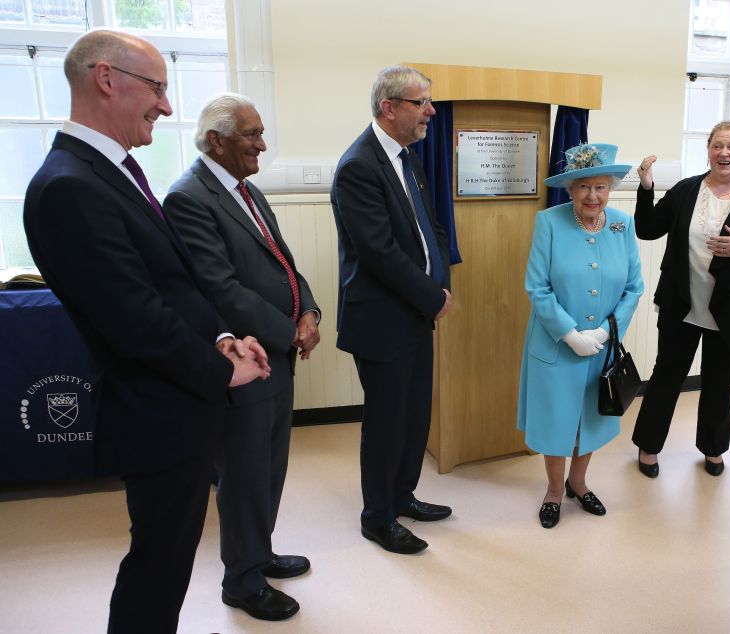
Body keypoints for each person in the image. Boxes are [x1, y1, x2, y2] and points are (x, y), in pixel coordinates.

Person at [22, 29, 270, 633]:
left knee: (171, 557)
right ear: (107, 79)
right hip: (153, 411)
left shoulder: (110, 171)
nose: (165, 105)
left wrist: (219, 338)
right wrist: (223, 369)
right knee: (157, 565)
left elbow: (168, 285)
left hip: (175, 401)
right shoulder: (68, 186)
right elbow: (134, 318)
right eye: (157, 87)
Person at [163, 93, 320, 621]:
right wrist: (286, 332)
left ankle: (260, 550)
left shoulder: (244, 191)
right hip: (247, 357)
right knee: (246, 473)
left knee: (269, 468)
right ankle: (242, 581)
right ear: (217, 140)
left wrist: (309, 310)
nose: (262, 143)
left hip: (276, 351)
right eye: (251, 134)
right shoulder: (189, 197)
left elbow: (282, 262)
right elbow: (221, 288)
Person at [330, 65, 453, 555]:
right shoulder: (359, 165)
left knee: (414, 414)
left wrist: (439, 278)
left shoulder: (407, 158)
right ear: (389, 108)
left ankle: (403, 496)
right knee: (386, 421)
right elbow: (378, 252)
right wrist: (432, 296)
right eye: (421, 102)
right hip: (382, 317)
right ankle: (377, 517)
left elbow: (430, 228)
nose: (431, 111)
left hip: (417, 311)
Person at [631, 121, 730, 478]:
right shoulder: (686, 190)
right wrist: (646, 187)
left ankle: (713, 449)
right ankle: (648, 446)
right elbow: (648, 228)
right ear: (708, 151)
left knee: (720, 379)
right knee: (667, 375)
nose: (724, 153)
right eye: (718, 146)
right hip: (681, 303)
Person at [517, 143, 643, 529]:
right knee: (556, 420)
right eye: (583, 187)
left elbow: (634, 287)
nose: (593, 196)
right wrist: (570, 334)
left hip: (600, 349)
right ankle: (555, 490)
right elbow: (537, 287)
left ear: (610, 189)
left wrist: (606, 332)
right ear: (570, 189)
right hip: (557, 346)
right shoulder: (550, 223)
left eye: (601, 187)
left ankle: (579, 482)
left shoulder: (622, 225)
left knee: (591, 417)